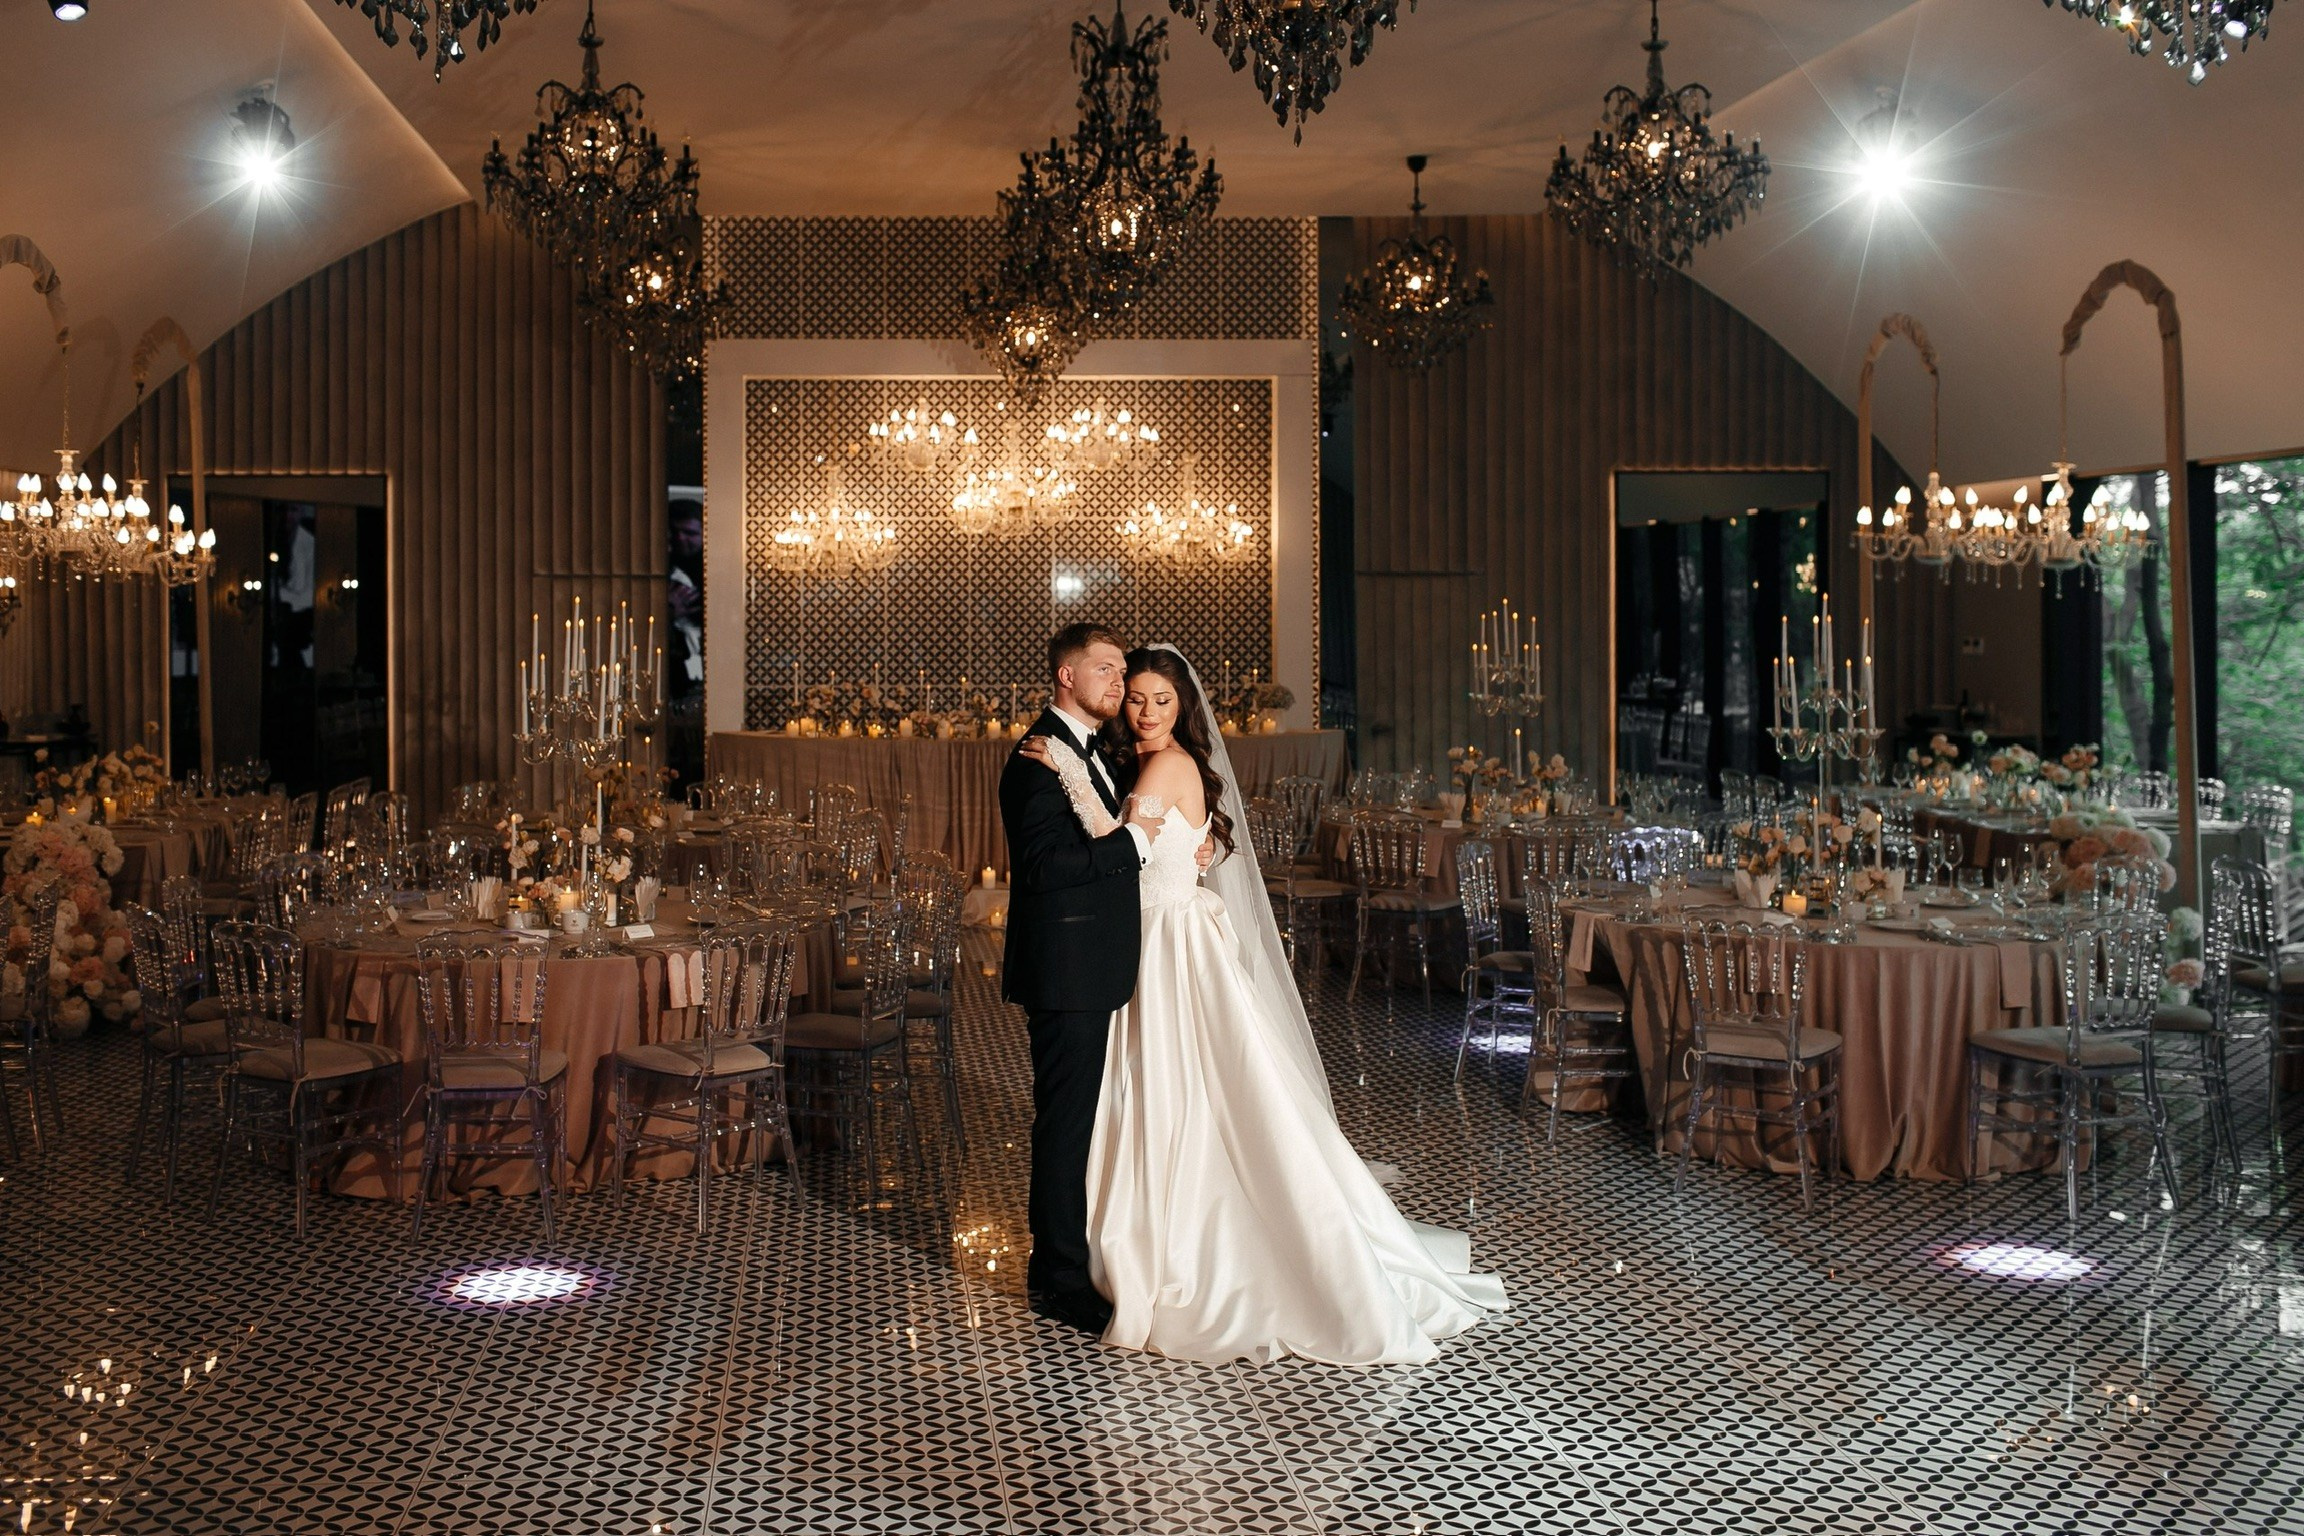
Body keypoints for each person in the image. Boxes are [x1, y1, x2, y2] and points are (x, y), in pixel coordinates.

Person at [1015, 644, 1507, 1366]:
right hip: (1155, 943)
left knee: (1187, 1096)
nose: (1145, 711)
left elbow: (1122, 846)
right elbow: (1192, 848)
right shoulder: (1152, 764)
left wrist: (1064, 771)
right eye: (1136, 698)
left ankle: (1202, 1245)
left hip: (1170, 947)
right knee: (1177, 1097)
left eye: (1162, 700)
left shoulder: (1167, 765)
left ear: (1184, 709)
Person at [999, 623, 1204, 1335]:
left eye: (1128, 675)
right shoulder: (1033, 761)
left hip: (1108, 967)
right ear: (1066, 676)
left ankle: (1090, 1254)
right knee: (1065, 1125)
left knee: (1094, 1121)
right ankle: (1055, 1278)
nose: (1121, 687)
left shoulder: (1099, 754)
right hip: (1066, 971)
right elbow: (1048, 869)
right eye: (1109, 672)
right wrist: (1135, 847)